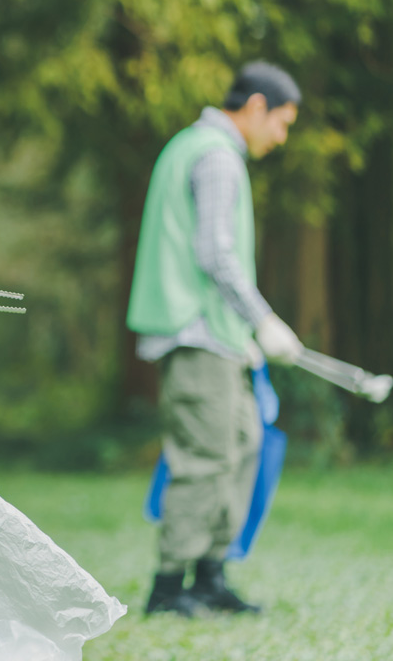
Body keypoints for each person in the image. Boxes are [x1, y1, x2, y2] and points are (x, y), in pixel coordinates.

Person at [126, 61, 304, 618]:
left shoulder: (191, 145)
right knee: (206, 457)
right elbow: (215, 253)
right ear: (255, 106)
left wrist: (243, 336)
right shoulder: (216, 155)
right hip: (194, 331)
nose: (281, 136)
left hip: (214, 333)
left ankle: (210, 576)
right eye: (282, 122)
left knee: (244, 441)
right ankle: (168, 588)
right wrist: (262, 320)